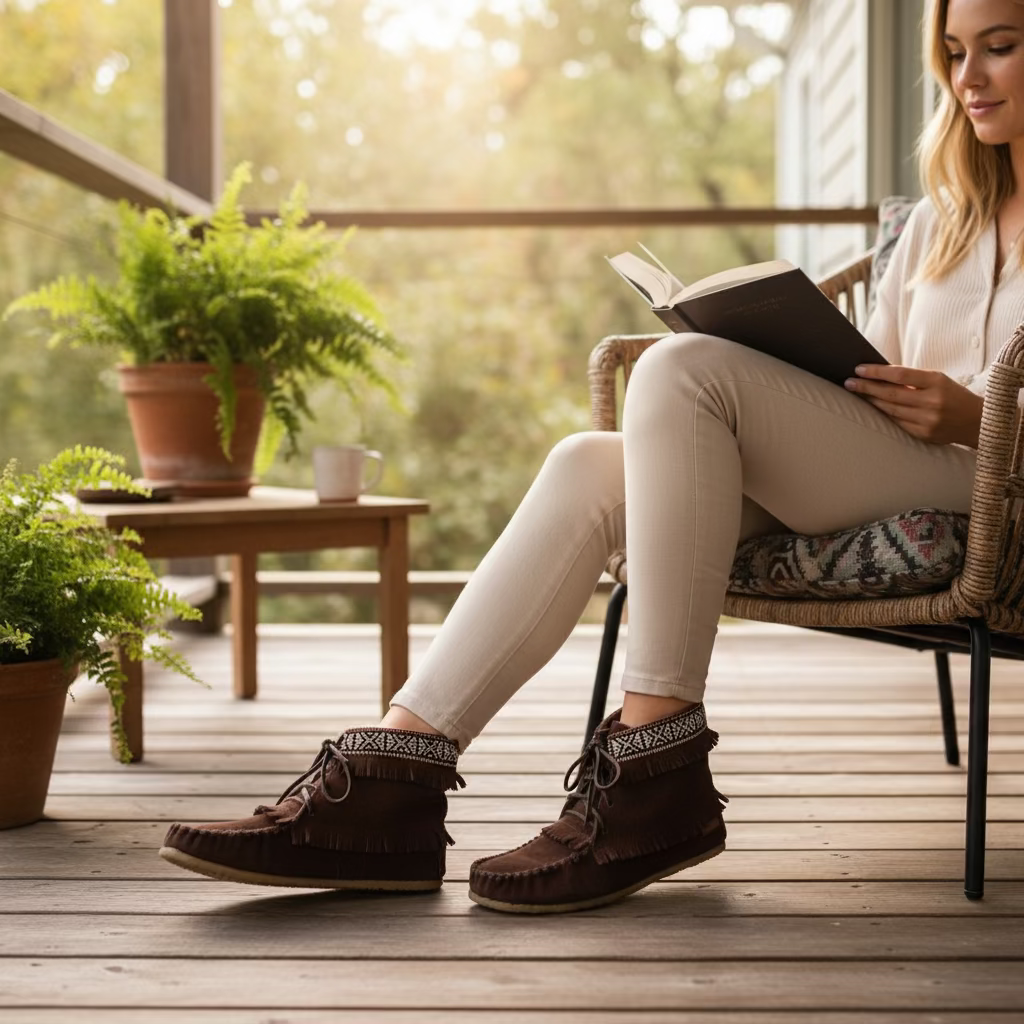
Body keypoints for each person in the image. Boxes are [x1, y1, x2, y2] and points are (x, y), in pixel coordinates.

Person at [159, 0, 1024, 913]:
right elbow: (872, 373)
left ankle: (656, 766)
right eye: (956, 53)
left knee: (685, 372)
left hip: (995, 486)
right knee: (586, 463)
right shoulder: (938, 226)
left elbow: (955, 414)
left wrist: (972, 410)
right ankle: (393, 782)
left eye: (1000, 48)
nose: (968, 77)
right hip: (881, 470)